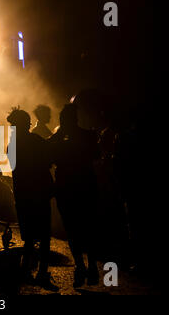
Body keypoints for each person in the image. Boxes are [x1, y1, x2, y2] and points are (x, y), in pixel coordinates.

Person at [7, 107, 58, 291]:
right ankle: (42, 272)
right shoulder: (36, 141)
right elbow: (49, 159)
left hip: (23, 193)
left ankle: (25, 269)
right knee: (44, 235)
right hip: (40, 192)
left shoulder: (11, 145)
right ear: (26, 124)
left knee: (28, 235)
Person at [49, 104, 100, 288]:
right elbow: (96, 156)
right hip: (87, 185)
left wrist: (58, 134)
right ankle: (92, 265)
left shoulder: (59, 140)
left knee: (72, 228)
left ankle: (80, 266)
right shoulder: (89, 136)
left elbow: (47, 155)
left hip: (66, 188)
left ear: (63, 121)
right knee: (89, 227)